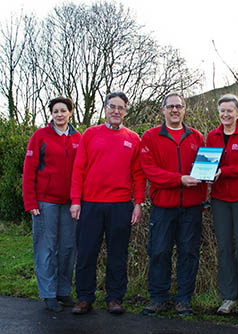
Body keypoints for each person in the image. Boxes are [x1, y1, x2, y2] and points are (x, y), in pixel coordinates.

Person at [70, 92, 146, 315]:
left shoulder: (133, 138)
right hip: (90, 204)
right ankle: (84, 297)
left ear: (126, 111)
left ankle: (114, 298)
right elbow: (78, 169)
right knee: (86, 253)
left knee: (117, 254)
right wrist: (76, 201)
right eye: (112, 106)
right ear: (104, 108)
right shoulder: (90, 134)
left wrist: (138, 203)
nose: (116, 111)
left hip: (121, 205)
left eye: (120, 107)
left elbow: (139, 174)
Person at [140, 92, 207, 316]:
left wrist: (207, 180)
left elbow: (205, 169)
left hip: (191, 207)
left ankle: (183, 299)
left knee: (189, 253)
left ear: (185, 109)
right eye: (170, 107)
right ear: (163, 110)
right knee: (159, 252)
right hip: (163, 207)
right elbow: (151, 171)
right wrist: (179, 179)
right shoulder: (150, 137)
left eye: (179, 106)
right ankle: (159, 298)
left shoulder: (196, 137)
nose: (175, 110)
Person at [22, 97, 81, 312]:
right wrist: (30, 201)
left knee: (67, 248)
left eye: (63, 110)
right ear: (51, 114)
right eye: (55, 111)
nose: (59, 114)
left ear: (70, 113)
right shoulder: (40, 136)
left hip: (69, 203)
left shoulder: (77, 138)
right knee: (46, 248)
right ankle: (48, 294)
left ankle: (63, 291)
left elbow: (81, 170)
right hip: (45, 202)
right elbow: (29, 170)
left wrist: (78, 200)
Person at [206, 94, 238, 318]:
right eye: (222, 111)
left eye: (230, 110)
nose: (225, 115)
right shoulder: (212, 136)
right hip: (220, 200)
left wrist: (223, 172)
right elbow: (207, 162)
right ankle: (228, 297)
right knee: (224, 247)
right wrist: (205, 174)